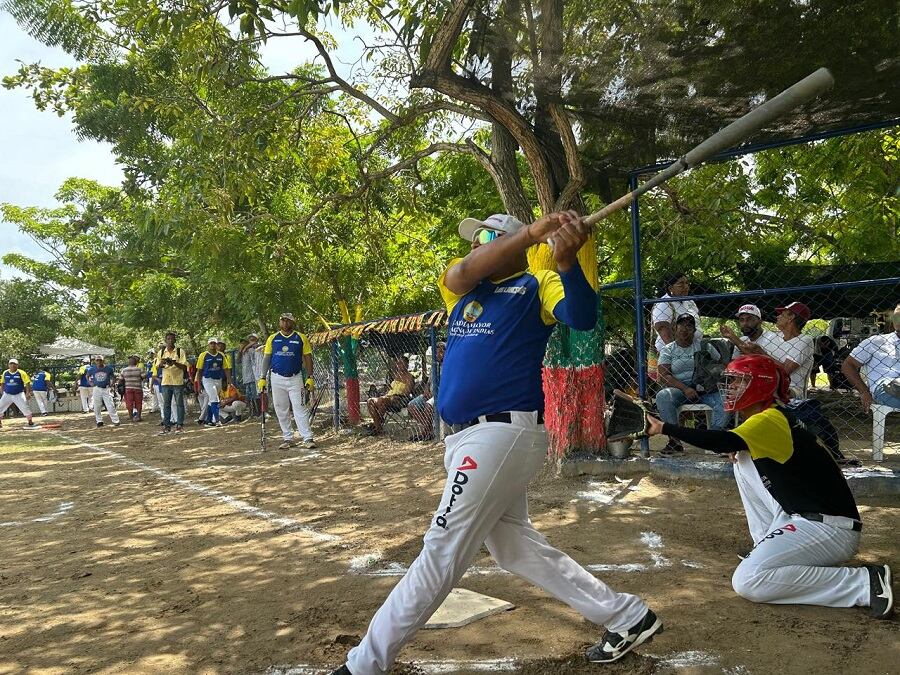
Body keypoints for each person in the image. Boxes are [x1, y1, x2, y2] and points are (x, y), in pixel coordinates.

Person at [331, 211, 661, 675]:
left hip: (502, 434)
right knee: (512, 546)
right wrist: (531, 233)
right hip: (466, 438)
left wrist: (566, 262)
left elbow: (582, 318)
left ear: (510, 245)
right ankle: (627, 615)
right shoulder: (463, 289)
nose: (476, 246)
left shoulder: (537, 282)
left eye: (487, 237)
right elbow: (461, 270)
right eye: (476, 239)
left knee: (442, 548)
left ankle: (363, 666)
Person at [644, 354, 893, 619]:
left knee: (748, 581)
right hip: (811, 519)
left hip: (829, 529)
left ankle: (864, 583)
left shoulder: (771, 419)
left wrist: (664, 428)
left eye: (738, 382)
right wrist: (737, 447)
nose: (730, 388)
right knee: (741, 456)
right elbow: (732, 444)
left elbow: (722, 441)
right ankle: (765, 541)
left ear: (761, 385)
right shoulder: (770, 419)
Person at [654, 313, 727, 454]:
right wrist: (685, 388)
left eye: (689, 325)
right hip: (679, 389)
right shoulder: (668, 349)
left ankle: (714, 439)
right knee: (663, 396)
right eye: (681, 324)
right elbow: (664, 374)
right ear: (675, 328)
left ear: (694, 330)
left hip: (705, 388)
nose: (685, 328)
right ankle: (675, 442)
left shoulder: (703, 345)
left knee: (725, 399)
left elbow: (721, 364)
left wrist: (711, 376)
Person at [258, 313, 316, 450]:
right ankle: (288, 438)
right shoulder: (273, 338)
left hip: (296, 378)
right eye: (283, 320)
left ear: (293, 322)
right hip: (276, 378)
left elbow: (307, 358)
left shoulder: (301, 338)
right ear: (279, 322)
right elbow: (266, 358)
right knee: (280, 408)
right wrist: (262, 377)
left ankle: (307, 437)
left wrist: (310, 376)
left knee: (300, 407)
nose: (285, 323)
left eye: (288, 321)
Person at [841, 302, 900, 412]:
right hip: (886, 387)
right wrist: (864, 392)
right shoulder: (876, 341)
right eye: (896, 316)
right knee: (894, 386)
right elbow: (848, 365)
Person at [771, 301, 815, 399]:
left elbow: (785, 370)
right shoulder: (774, 337)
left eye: (782, 315)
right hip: (771, 382)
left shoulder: (804, 340)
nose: (777, 317)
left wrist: (761, 352)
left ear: (791, 318)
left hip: (792, 391)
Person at [650, 272, 702, 355]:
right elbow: (662, 328)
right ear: (670, 288)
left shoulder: (690, 301)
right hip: (673, 354)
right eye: (681, 284)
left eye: (687, 283)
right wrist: (677, 353)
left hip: (693, 351)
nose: (686, 287)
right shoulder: (664, 303)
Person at [364, 355, 415, 436]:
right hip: (388, 398)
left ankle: (376, 426)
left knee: (382, 401)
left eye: (401, 363)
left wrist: (395, 395)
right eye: (398, 363)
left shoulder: (410, 377)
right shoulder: (396, 375)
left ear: (407, 364)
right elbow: (390, 389)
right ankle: (378, 427)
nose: (399, 365)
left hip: (400, 399)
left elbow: (407, 392)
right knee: (370, 401)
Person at [407, 342, 446, 441]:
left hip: (441, 394)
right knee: (411, 405)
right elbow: (428, 382)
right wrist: (426, 390)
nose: (438, 354)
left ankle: (424, 432)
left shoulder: (448, 366)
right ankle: (429, 429)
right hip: (430, 393)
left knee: (428, 406)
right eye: (437, 351)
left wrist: (435, 393)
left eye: (441, 351)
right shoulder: (434, 365)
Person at [156, 331, 189, 434]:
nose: (170, 341)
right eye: (168, 339)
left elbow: (184, 367)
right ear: (166, 340)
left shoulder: (180, 351)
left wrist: (174, 362)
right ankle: (167, 426)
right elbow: (157, 366)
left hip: (177, 381)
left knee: (179, 404)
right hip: (166, 381)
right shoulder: (161, 352)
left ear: (175, 340)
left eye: (172, 339)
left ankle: (179, 425)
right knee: (166, 404)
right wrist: (162, 363)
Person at [195, 337, 231, 427]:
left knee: (211, 400)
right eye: (211, 343)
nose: (213, 345)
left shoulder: (221, 355)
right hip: (207, 379)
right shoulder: (203, 355)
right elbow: (199, 371)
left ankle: (208, 421)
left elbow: (226, 368)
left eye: (214, 343)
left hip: (218, 379)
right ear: (208, 345)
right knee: (215, 398)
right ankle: (217, 420)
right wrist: (199, 385)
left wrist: (229, 380)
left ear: (217, 345)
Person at [0, 359, 35, 428]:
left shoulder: (21, 373)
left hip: (19, 394)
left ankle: (30, 421)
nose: (12, 365)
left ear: (17, 365)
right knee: (0, 407)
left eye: (14, 364)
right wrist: (2, 392)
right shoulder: (5, 372)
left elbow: (27, 382)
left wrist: (27, 393)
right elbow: (2, 383)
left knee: (24, 407)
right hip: (7, 394)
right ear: (8, 365)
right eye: (11, 364)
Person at [88, 356, 120, 427]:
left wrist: (111, 385)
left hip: (106, 388)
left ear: (103, 361)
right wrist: (90, 383)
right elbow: (87, 376)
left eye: (100, 360)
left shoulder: (109, 369)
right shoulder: (92, 369)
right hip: (97, 388)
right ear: (95, 361)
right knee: (97, 406)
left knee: (110, 405)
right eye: (97, 360)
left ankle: (116, 421)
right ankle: (99, 421)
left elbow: (113, 377)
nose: (99, 362)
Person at [239, 333, 263, 415]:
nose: (242, 345)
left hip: (253, 376)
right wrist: (241, 349)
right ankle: (252, 412)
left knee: (255, 395)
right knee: (249, 396)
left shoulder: (252, 350)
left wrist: (247, 347)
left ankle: (258, 412)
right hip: (246, 378)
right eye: (250, 339)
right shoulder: (244, 352)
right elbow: (237, 361)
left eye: (253, 338)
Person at [119, 356, 146, 421]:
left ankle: (131, 417)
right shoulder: (139, 369)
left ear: (129, 362)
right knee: (138, 402)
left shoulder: (124, 370)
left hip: (128, 388)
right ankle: (138, 417)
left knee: (129, 403)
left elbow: (120, 380)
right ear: (136, 362)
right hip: (138, 388)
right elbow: (144, 377)